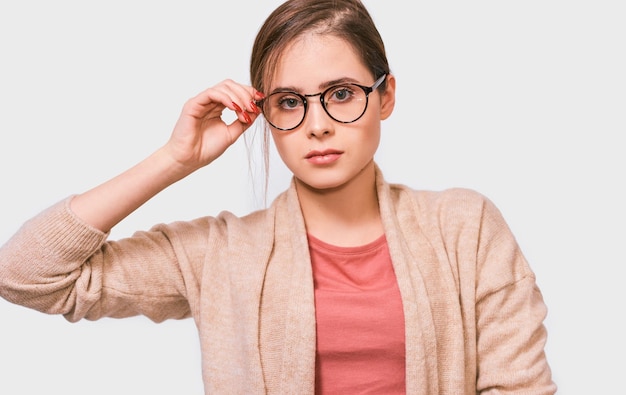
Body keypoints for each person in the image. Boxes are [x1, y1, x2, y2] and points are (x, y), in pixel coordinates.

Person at [0, 0, 557, 393]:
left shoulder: (465, 226)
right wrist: (174, 160)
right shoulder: (221, 254)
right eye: (290, 102)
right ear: (263, 114)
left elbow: (520, 388)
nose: (317, 125)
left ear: (386, 95)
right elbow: (26, 275)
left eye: (341, 94)